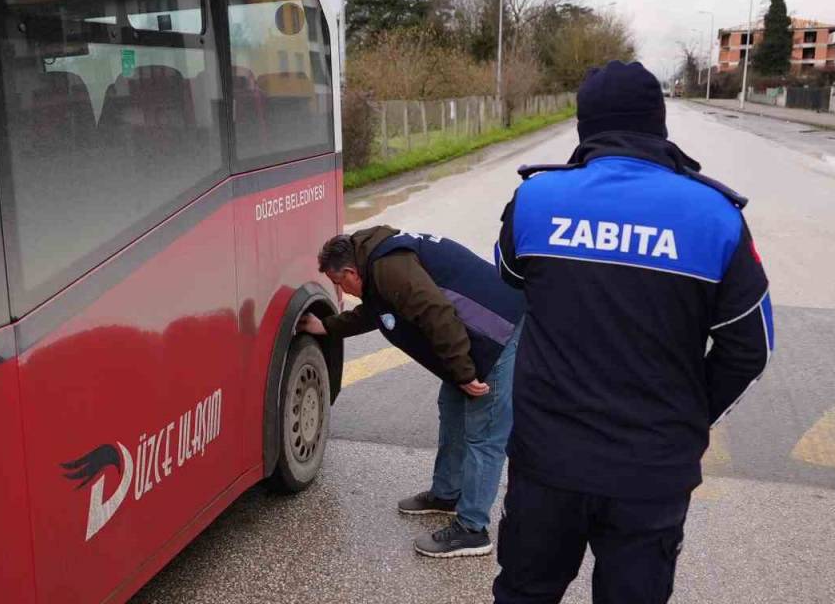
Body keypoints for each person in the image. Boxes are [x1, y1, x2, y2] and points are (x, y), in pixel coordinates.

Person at [492, 61, 773, 603]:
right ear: (659, 124)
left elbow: (510, 276)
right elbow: (749, 347)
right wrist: (689, 412)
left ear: (584, 126)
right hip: (653, 468)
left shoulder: (536, 199)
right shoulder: (716, 215)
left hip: (548, 459)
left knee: (525, 594)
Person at [298, 226, 525, 557]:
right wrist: (328, 326)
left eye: (338, 283)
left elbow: (437, 313)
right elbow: (376, 310)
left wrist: (463, 371)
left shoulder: (388, 267)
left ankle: (472, 529)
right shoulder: (376, 259)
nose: (341, 291)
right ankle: (447, 494)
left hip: (496, 333)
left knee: (484, 435)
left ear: (349, 271)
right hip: (473, 337)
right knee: (452, 411)